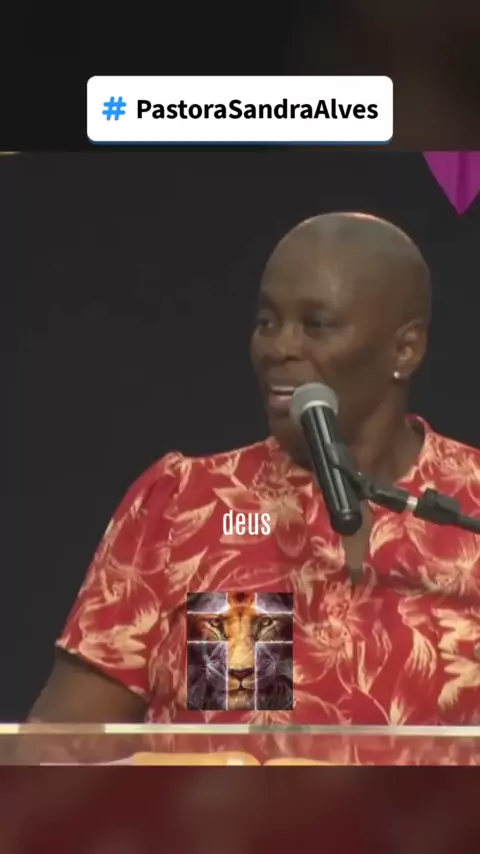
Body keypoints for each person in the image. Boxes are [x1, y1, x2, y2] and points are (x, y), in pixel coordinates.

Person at [30, 212, 480, 728]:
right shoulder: (191, 505)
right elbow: (63, 744)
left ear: (405, 349)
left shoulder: (470, 507)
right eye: (267, 322)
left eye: (316, 324)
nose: (278, 348)